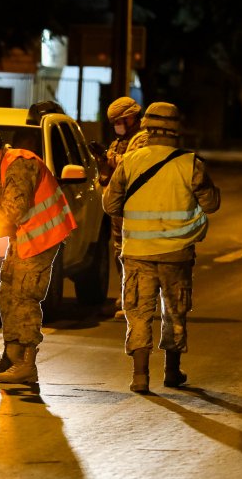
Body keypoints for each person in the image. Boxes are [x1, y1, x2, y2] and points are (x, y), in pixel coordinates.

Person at [102, 102, 221, 393]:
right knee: (174, 311)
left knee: (139, 312)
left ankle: (140, 376)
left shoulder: (129, 162)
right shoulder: (190, 163)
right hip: (176, 253)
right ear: (176, 129)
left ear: (146, 126)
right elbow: (212, 204)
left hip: (136, 253)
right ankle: (171, 371)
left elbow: (110, 204)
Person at [0, 120, 78, 385]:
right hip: (24, 236)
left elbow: (13, 211)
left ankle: (26, 365)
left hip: (41, 238)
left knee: (24, 297)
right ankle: (11, 357)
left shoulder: (18, 165)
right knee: (8, 290)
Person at [96, 96, 144, 319]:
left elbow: (133, 163)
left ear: (132, 117)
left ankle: (135, 300)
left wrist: (110, 157)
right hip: (119, 208)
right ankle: (127, 296)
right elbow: (110, 173)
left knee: (133, 255)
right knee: (120, 254)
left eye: (120, 120)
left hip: (136, 207)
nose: (118, 126)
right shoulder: (119, 142)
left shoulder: (143, 139)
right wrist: (102, 161)